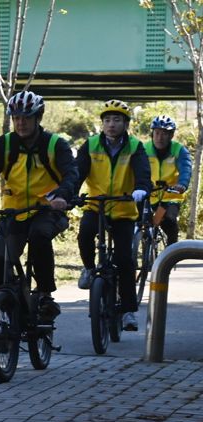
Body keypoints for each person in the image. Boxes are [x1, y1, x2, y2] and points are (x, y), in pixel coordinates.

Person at [0, 90, 78, 321]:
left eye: (26, 117)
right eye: (16, 118)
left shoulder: (55, 145)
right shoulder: (4, 145)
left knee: (39, 236)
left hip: (47, 210)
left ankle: (45, 295)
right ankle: (6, 319)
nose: (20, 123)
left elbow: (71, 174)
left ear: (38, 118)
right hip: (13, 212)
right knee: (1, 263)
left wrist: (62, 197)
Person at [75, 99, 152, 331]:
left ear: (126, 123)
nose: (111, 124)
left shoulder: (135, 146)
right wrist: (70, 194)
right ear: (102, 123)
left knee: (124, 260)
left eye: (117, 120)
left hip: (123, 208)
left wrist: (141, 188)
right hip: (96, 206)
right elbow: (77, 173)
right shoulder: (90, 145)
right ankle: (89, 268)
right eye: (107, 120)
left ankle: (128, 310)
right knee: (84, 234)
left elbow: (143, 172)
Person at [144, 114, 191, 245]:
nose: (160, 137)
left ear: (171, 135)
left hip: (171, 195)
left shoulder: (179, 150)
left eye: (164, 134)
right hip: (150, 195)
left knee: (169, 223)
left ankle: (171, 256)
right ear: (152, 133)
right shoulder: (144, 149)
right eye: (157, 133)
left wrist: (182, 184)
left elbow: (185, 169)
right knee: (138, 220)